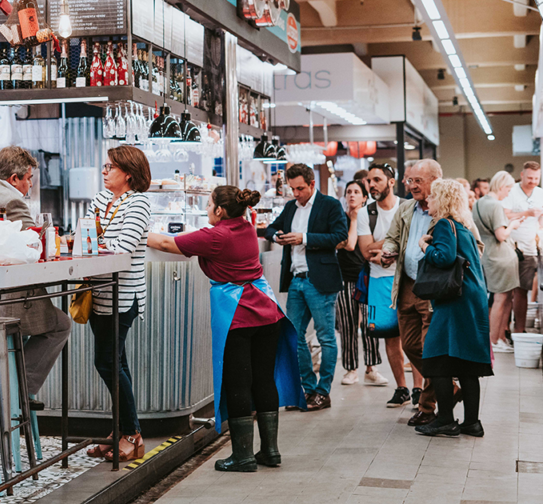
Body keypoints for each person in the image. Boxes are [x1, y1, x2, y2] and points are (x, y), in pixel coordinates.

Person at [148, 187, 304, 472]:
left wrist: (133, 231)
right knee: (264, 381)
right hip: (267, 313)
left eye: (209, 205)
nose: (207, 209)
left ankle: (243, 456)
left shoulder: (216, 236)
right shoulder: (245, 226)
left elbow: (168, 244)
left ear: (219, 210)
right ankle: (270, 451)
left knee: (238, 384)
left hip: (239, 316)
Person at [0, 146, 71, 405]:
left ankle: (4, 384)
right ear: (14, 178)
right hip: (6, 298)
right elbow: (31, 247)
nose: (30, 184)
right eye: (29, 178)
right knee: (61, 325)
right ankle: (17, 389)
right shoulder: (11, 200)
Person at [83, 146, 151, 462]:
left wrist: (92, 244)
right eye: (105, 165)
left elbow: (122, 251)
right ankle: (121, 429)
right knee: (116, 362)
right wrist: (90, 243)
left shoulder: (138, 204)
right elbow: (82, 235)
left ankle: (132, 433)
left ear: (128, 173)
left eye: (110, 166)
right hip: (98, 293)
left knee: (107, 363)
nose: (104, 171)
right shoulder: (101, 201)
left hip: (123, 295)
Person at [261, 163, 347, 411]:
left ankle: (323, 391)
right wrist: (276, 235)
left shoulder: (329, 205)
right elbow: (269, 227)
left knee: (326, 337)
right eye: (292, 189)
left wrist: (304, 238)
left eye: (300, 188)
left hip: (320, 280)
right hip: (296, 279)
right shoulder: (290, 207)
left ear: (312, 184)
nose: (296, 193)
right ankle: (307, 389)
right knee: (294, 337)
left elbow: (339, 235)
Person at [415, 180, 491, 437]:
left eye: (434, 196)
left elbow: (443, 257)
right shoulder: (464, 227)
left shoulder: (444, 225)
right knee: (467, 363)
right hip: (472, 298)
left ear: (444, 200)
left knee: (436, 358)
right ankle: (471, 422)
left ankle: (445, 419)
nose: (429, 201)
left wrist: (425, 246)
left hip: (454, 301)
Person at [379, 159, 442, 427]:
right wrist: (388, 251)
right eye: (409, 180)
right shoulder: (406, 208)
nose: (412, 186)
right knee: (410, 345)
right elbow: (392, 237)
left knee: (430, 349)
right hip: (406, 286)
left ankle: (427, 408)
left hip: (432, 289)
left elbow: (475, 245)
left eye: (418, 181)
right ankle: (447, 386)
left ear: (435, 181)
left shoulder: (446, 210)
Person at [357, 163, 415, 408]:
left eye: (377, 180)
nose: (372, 185)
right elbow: (365, 250)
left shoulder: (408, 207)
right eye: (369, 181)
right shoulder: (365, 213)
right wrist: (390, 245)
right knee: (389, 336)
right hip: (380, 280)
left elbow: (407, 244)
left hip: (408, 277)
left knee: (413, 335)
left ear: (391, 182)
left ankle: (420, 388)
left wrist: (380, 246)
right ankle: (402, 388)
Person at [334, 180, 385, 386]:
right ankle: (351, 369)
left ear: (365, 197)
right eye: (348, 192)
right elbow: (345, 244)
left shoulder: (371, 220)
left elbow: (362, 244)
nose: (352, 195)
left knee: (371, 324)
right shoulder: (340, 219)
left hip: (368, 278)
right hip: (344, 279)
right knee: (347, 325)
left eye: (356, 192)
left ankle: (371, 367)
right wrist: (353, 221)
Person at [474, 171, 521, 352]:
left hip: (486, 255)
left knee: (497, 299)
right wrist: (513, 226)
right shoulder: (496, 205)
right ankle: (494, 340)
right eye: (508, 189)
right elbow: (501, 235)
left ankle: (498, 338)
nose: (508, 193)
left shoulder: (479, 203)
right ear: (502, 186)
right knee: (501, 299)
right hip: (501, 256)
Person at [503, 161, 543, 334]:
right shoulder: (512, 191)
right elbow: (504, 215)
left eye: (536, 178)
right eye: (529, 177)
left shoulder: (540, 193)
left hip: (530, 248)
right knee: (505, 291)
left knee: (522, 289)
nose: (533, 181)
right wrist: (527, 213)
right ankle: (502, 330)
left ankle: (519, 329)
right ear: (522, 175)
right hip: (509, 246)